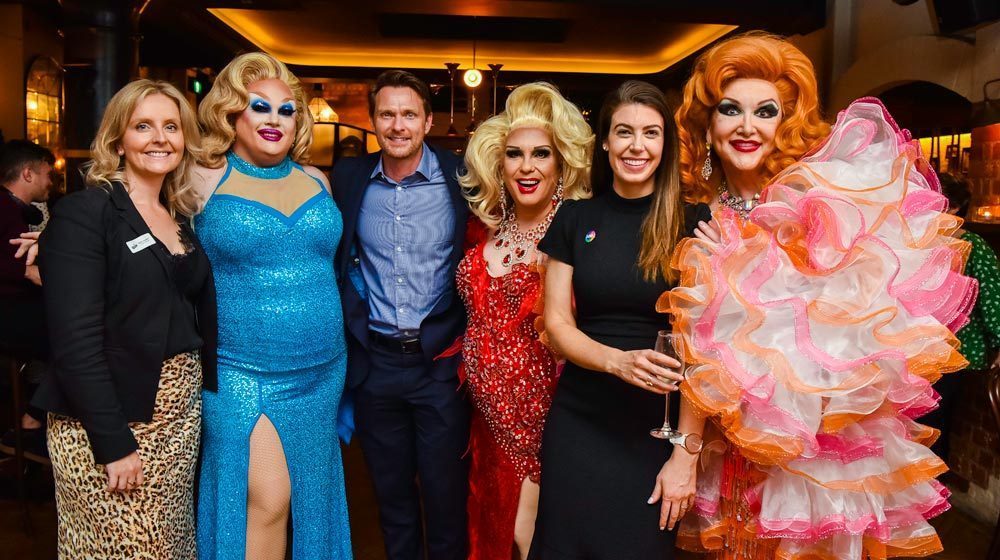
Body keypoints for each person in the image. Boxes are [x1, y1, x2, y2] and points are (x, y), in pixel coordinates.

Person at [662, 32, 976, 558]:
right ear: (707, 126)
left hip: (811, 453)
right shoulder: (698, 218)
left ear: (785, 123)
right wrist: (687, 450)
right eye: (730, 110)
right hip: (728, 443)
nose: (747, 126)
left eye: (766, 111)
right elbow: (697, 348)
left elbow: (855, 335)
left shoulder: (816, 204)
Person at [30, 79, 215, 558]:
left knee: (170, 548)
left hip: (176, 420)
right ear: (117, 140)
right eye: (143, 126)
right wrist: (113, 443)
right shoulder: (86, 212)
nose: (160, 138)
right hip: (108, 421)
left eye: (171, 126)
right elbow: (76, 343)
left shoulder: (178, 215)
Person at [529, 80, 710, 559]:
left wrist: (686, 453)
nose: (637, 146)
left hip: (656, 427)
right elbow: (557, 325)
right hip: (580, 420)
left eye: (651, 133)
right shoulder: (573, 218)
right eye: (624, 132)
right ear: (605, 142)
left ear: (665, 145)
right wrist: (617, 361)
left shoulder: (693, 222)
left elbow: (705, 346)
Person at [191, 52, 351, 560]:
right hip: (242, 371)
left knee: (312, 500)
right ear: (231, 114)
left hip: (323, 369)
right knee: (268, 500)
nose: (274, 120)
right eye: (260, 107)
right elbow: (134, 213)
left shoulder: (317, 180)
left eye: (286, 110)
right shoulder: (202, 178)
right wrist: (62, 240)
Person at [331, 69, 469, 560]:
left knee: (446, 500)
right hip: (376, 364)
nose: (397, 125)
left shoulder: (463, 176)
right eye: (387, 114)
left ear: (427, 121)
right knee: (391, 502)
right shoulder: (347, 179)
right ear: (373, 121)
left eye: (409, 114)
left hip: (441, 364)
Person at [457, 82, 593, 560]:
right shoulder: (484, 231)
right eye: (515, 154)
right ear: (499, 164)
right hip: (486, 424)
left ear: (561, 164)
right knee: (493, 530)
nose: (527, 166)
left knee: (530, 534)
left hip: (546, 423)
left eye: (541, 154)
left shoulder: (576, 237)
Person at [923, 173, 1000, 458]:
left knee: (932, 426)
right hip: (928, 351)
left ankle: (931, 480)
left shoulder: (973, 246)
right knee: (928, 426)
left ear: (955, 207)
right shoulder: (921, 243)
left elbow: (992, 302)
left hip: (953, 351)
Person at [0, 140, 54, 457]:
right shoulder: (5, 209)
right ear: (28, 174)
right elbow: (25, 270)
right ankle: (32, 422)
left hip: (17, 309)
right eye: (47, 174)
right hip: (8, 313)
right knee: (79, 337)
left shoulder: (15, 210)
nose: (50, 182)